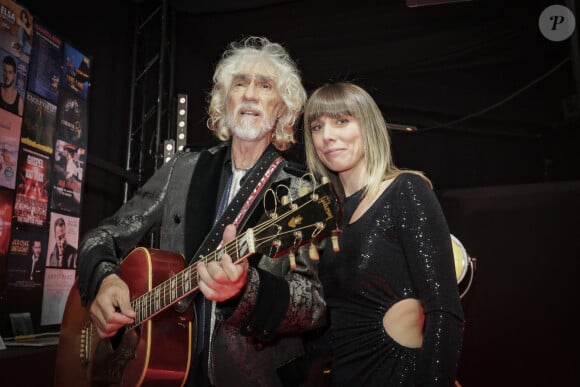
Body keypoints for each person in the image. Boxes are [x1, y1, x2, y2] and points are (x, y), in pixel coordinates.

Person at [76, 36, 327, 387]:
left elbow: (314, 306)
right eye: (240, 84)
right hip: (166, 367)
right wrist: (105, 279)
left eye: (265, 86)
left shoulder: (302, 190)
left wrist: (246, 289)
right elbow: (101, 236)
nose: (251, 94)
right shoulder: (183, 168)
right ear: (225, 101)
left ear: (282, 109)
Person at [302, 82, 464, 386]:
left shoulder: (405, 190)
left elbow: (444, 311)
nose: (327, 136)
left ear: (368, 126)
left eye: (342, 121)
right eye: (316, 126)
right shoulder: (325, 222)